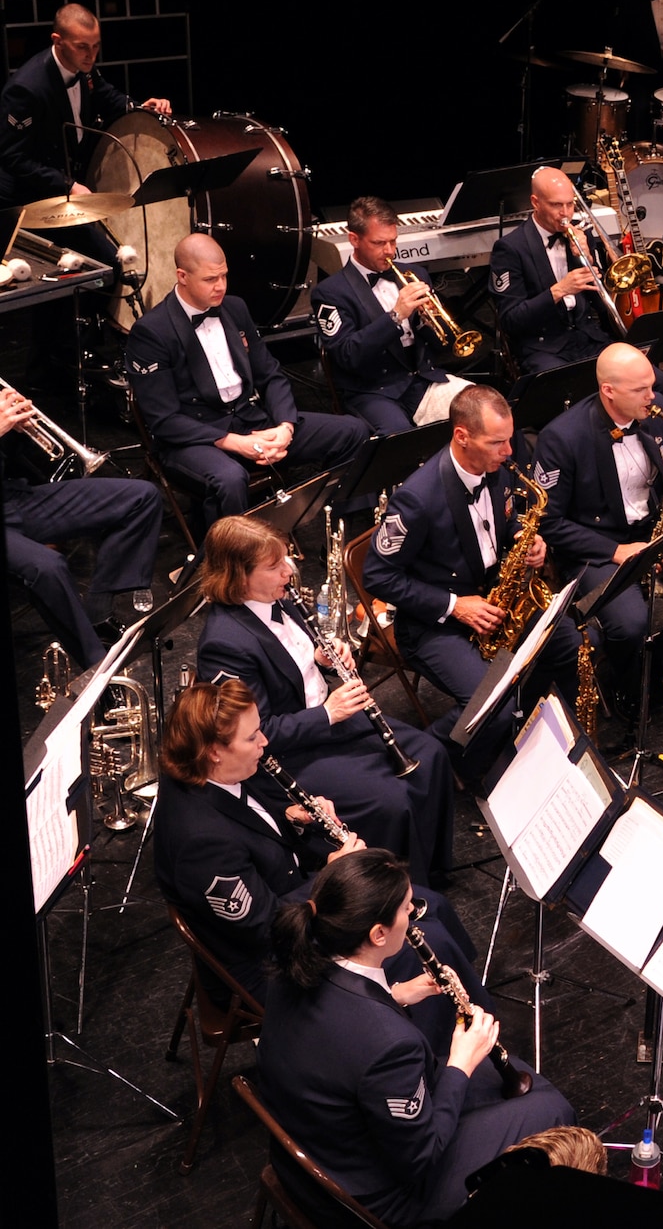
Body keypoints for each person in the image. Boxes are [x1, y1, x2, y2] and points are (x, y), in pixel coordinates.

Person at [260, 848, 574, 1226]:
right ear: (378, 934)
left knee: (515, 1080)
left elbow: (336, 1029)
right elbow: (421, 1157)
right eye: (407, 909)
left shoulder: (295, 964)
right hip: (378, 1200)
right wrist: (460, 1063)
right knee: (551, 1107)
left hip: (311, 1150)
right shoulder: (390, 1044)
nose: (414, 913)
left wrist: (396, 995)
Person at [152, 678, 481, 1030]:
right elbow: (262, 928)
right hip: (270, 963)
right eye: (252, 738)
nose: (264, 742)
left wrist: (291, 821)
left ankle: (468, 1004)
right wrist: (330, 879)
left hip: (289, 902)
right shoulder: (199, 841)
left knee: (434, 905)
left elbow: (251, 832)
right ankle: (445, 1046)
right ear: (214, 750)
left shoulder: (214, 771)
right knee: (428, 945)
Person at [194, 515, 457, 885]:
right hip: (291, 751)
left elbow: (294, 664)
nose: (289, 570)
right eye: (274, 566)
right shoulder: (224, 644)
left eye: (286, 558)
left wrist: (322, 659)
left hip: (332, 722)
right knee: (391, 803)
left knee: (432, 754)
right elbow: (258, 730)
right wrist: (327, 714)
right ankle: (394, 894)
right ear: (239, 578)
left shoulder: (278, 597)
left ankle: (431, 870)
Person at [363, 386, 581, 775]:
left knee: (567, 641)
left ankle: (531, 735)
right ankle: (425, 756)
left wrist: (526, 539)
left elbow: (507, 519)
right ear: (461, 436)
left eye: (510, 438)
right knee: (489, 705)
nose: (510, 451)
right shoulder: (417, 499)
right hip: (435, 623)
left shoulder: (496, 471)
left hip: (493, 600)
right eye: (496, 442)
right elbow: (378, 576)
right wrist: (455, 606)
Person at [530, 343, 663, 711]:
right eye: (640, 390)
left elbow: (660, 473)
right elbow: (549, 523)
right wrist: (615, 552)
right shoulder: (561, 439)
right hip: (596, 548)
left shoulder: (655, 413)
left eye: (652, 385)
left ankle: (662, 655)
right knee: (628, 625)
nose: (653, 395)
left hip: (652, 532)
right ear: (608, 390)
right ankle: (625, 683)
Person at [124, 234, 369, 525]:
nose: (221, 286)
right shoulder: (152, 331)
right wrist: (232, 442)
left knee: (353, 432)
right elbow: (163, 420)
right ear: (182, 276)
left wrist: (285, 427)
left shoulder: (235, 308)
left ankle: (339, 530)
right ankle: (233, 563)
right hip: (195, 437)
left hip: (251, 421)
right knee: (229, 479)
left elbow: (271, 374)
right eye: (210, 279)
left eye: (224, 276)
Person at [2, 386, 162, 667]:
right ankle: (96, 668)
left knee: (142, 497)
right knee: (48, 567)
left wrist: (17, 429)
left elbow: (13, 461)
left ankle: (97, 614)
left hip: (12, 499)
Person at [310, 196, 472, 434]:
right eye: (379, 243)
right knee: (400, 443)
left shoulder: (415, 274)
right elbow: (347, 355)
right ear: (354, 239)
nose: (389, 251)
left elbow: (441, 345)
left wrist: (429, 323)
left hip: (422, 379)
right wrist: (395, 316)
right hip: (372, 390)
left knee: (486, 410)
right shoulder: (330, 292)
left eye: (393, 242)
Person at [0, 2, 172, 210]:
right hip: (29, 199)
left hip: (71, 189)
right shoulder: (26, 89)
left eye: (96, 45)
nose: (91, 55)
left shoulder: (82, 65)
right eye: (82, 46)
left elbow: (106, 95)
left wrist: (141, 108)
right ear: (58, 41)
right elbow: (14, 158)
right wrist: (68, 185)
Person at [488, 167, 618, 377]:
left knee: (650, 378)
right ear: (535, 203)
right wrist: (559, 291)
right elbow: (510, 320)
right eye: (556, 205)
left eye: (570, 204)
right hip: (543, 346)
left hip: (587, 338)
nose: (566, 213)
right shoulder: (510, 248)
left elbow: (602, 304)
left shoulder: (581, 234)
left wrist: (589, 259)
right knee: (568, 389)